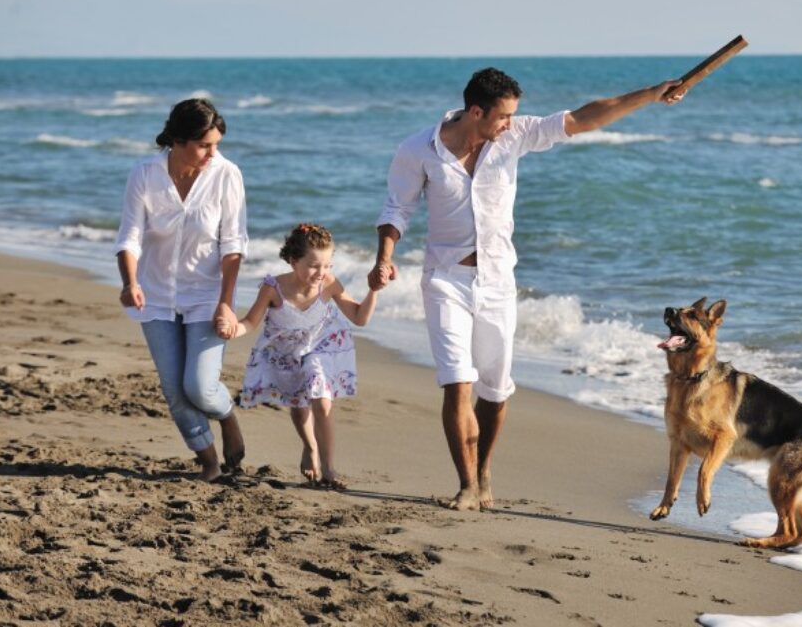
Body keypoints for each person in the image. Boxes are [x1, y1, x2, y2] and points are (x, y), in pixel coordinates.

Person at [369, 67, 683, 510]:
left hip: (498, 281)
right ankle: (466, 486)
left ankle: (484, 472)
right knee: (457, 382)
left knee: (495, 391)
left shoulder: (513, 136)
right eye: (502, 116)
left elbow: (585, 118)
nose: (510, 124)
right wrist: (384, 259)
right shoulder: (418, 149)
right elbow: (396, 208)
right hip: (446, 278)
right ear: (475, 111)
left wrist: (651, 94)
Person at [115, 98, 248, 483]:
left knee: (200, 387)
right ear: (178, 140)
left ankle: (225, 415)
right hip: (153, 294)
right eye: (205, 145)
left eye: (217, 145)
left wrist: (226, 304)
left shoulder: (227, 175)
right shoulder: (144, 175)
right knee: (175, 390)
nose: (212, 153)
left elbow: (233, 245)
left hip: (207, 294)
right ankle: (209, 462)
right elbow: (130, 236)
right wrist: (130, 281)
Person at [221, 223, 377, 489]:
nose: (322, 272)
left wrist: (374, 289)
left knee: (321, 397)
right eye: (314, 265)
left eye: (327, 265)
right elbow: (250, 322)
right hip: (287, 353)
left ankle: (328, 469)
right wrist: (233, 329)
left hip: (322, 347)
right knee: (298, 405)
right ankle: (310, 447)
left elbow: (359, 317)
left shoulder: (328, 284)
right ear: (293, 261)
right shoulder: (273, 288)